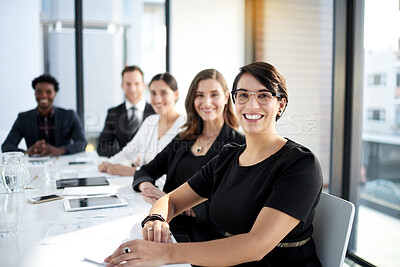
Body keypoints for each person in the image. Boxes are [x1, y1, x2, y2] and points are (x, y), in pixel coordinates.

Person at [105, 62, 323, 266]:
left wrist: (165, 254)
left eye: (264, 95)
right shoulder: (228, 157)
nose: (252, 104)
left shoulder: (300, 164)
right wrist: (155, 219)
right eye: (243, 95)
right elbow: (171, 200)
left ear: (280, 105)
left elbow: (256, 246)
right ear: (235, 100)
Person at [132, 69, 245, 242]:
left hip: (209, 238)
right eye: (200, 95)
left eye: (214, 95)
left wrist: (174, 203)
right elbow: (146, 171)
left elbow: (232, 203)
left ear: (226, 97)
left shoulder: (238, 144)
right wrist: (148, 188)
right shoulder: (183, 139)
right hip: (167, 227)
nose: (206, 103)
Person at [98, 73, 185, 177]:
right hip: (143, 188)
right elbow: (129, 152)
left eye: (163, 93)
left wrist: (135, 171)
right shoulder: (150, 121)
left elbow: (177, 171)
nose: (157, 99)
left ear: (176, 95)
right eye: (153, 93)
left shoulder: (185, 126)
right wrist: (109, 163)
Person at [1, 74, 86, 156]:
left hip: (62, 163)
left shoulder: (69, 115)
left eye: (48, 92)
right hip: (34, 165)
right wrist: (27, 153)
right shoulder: (23, 118)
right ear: (34, 93)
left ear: (55, 93)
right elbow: (6, 146)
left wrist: (60, 150)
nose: (43, 95)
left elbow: (82, 143)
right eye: (39, 91)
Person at [97, 66, 155, 157]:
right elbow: (102, 147)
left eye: (136, 84)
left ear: (144, 85)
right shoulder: (113, 113)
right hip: (122, 164)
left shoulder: (155, 112)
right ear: (122, 85)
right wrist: (125, 155)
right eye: (128, 84)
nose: (132, 89)